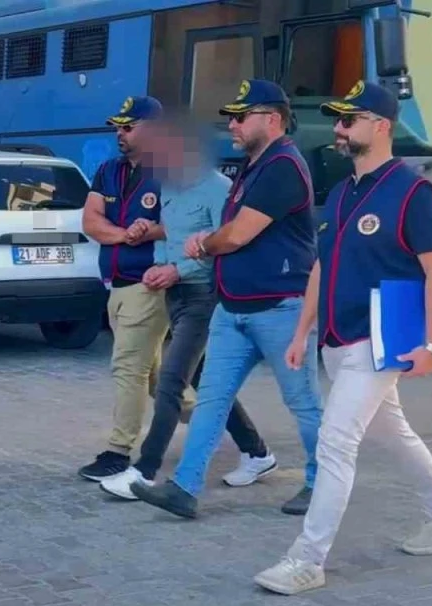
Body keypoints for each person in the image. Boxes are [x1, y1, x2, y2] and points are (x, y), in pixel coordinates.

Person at [254, 81, 432, 595]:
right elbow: (321, 267)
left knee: (335, 443)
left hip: (377, 343)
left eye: (349, 120)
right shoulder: (341, 192)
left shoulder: (412, 193)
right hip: (336, 338)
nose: (338, 128)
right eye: (338, 119)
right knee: (393, 432)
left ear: (382, 126)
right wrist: (302, 331)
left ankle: (307, 559)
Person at [129, 80, 322, 518]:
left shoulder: (283, 165)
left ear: (272, 118)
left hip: (279, 308)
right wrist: (208, 239)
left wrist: (202, 244)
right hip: (234, 308)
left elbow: (237, 235)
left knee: (303, 403)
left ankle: (321, 482)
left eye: (240, 116)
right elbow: (230, 231)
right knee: (212, 401)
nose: (232, 125)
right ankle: (184, 488)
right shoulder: (254, 165)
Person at [97, 110, 278, 500]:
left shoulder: (216, 188)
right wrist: (158, 262)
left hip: (202, 294)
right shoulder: (169, 186)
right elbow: (172, 234)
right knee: (203, 378)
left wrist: (177, 270)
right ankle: (257, 452)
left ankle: (144, 471)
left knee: (170, 380)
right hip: (174, 294)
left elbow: (223, 245)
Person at [79, 96, 194, 483]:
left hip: (149, 283)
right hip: (116, 285)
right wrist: (125, 235)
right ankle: (226, 426)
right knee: (158, 378)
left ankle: (118, 451)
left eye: (128, 127)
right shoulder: (108, 170)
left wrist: (151, 230)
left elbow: (189, 223)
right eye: (118, 127)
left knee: (128, 367)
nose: (120, 133)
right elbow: (91, 221)